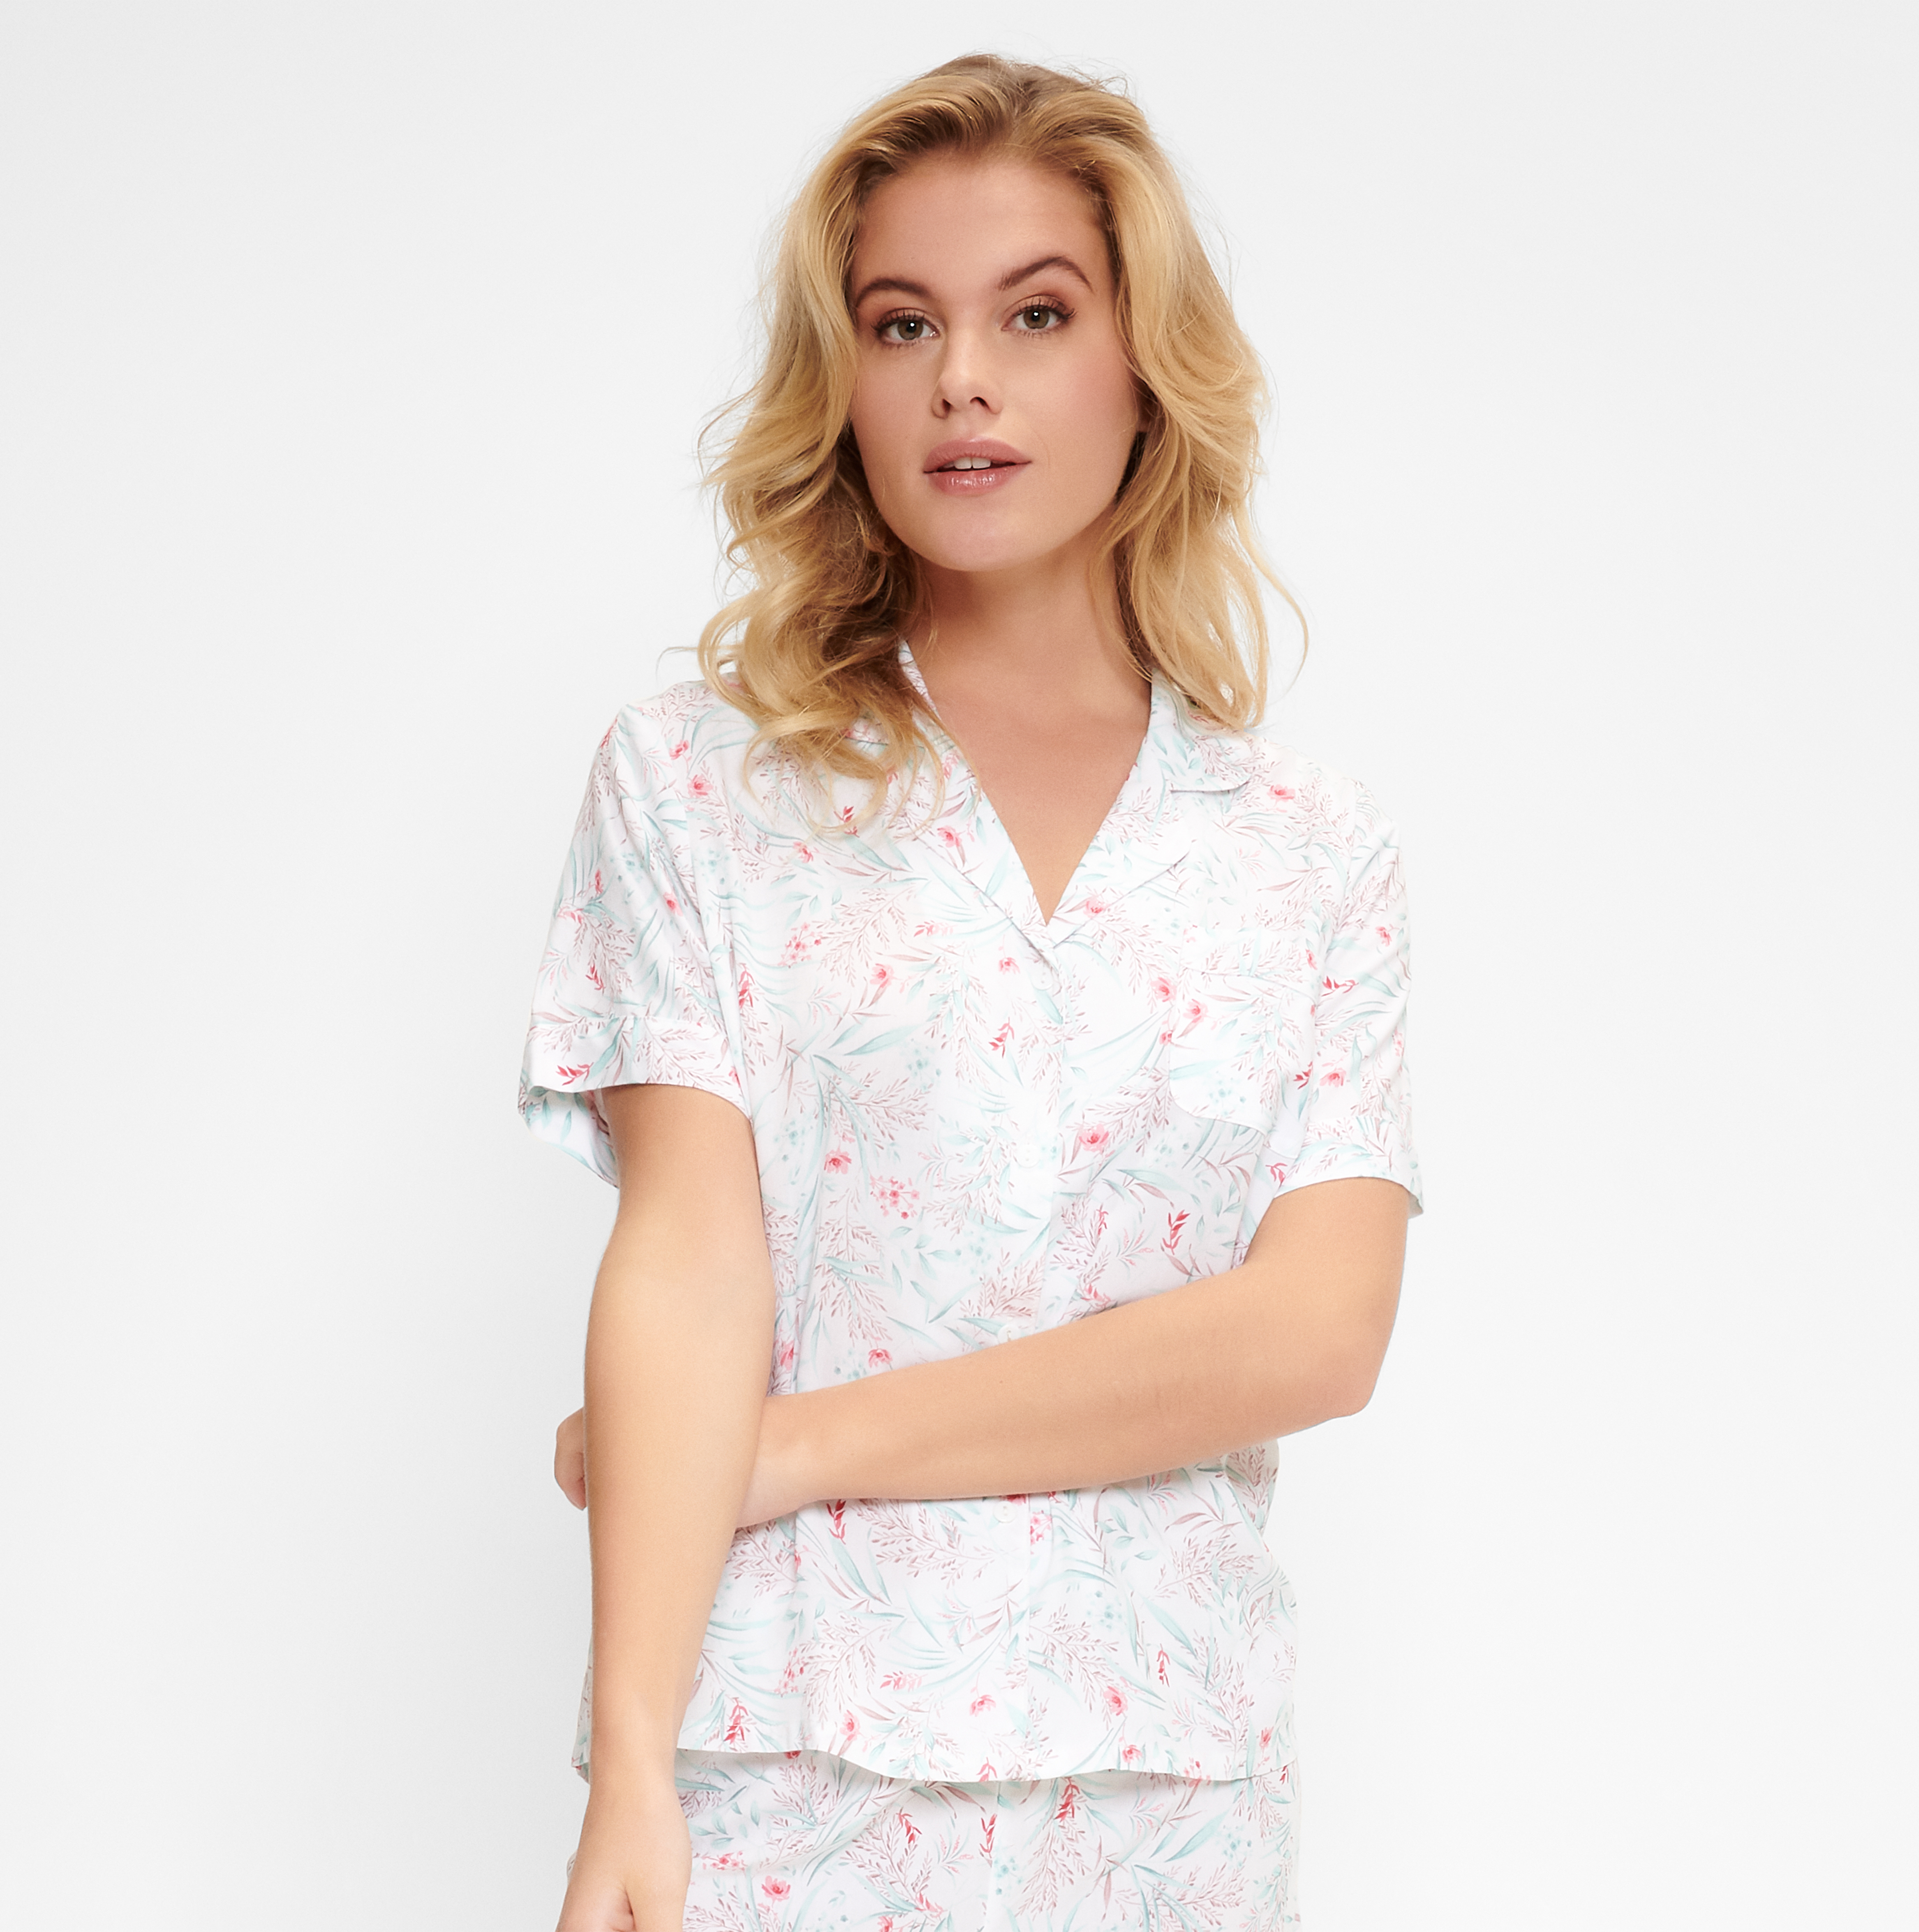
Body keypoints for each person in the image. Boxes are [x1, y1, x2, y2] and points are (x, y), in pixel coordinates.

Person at [521, 53, 1421, 1932]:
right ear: (841, 380)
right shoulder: (699, 787)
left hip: (1165, 1802)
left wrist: (782, 1451)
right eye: (901, 322)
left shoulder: (1301, 848)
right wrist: (630, 1768)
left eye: (1037, 313)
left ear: (1144, 365)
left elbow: (1313, 1333)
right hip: (777, 1769)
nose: (962, 382)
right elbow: (687, 1268)